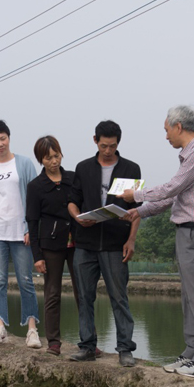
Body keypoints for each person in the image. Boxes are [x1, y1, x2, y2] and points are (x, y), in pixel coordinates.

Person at [121, 105, 194, 378]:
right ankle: (192, 353)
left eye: (166, 130)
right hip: (187, 232)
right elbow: (172, 199)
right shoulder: (189, 157)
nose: (166, 136)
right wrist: (137, 212)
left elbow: (172, 187)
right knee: (189, 296)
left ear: (178, 127)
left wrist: (137, 195)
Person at [67, 120, 141, 367]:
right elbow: (72, 200)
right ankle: (87, 346)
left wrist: (131, 240)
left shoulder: (131, 168)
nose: (108, 150)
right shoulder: (83, 167)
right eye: (103, 145)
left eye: (112, 146)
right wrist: (77, 217)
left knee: (119, 297)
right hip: (85, 242)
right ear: (95, 141)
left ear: (118, 143)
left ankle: (125, 349)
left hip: (114, 243)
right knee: (85, 296)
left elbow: (136, 210)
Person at [0, 118, 41, 348]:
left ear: (9, 138)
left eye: (3, 138)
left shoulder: (23, 164)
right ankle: (0, 327)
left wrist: (30, 228)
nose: (0, 143)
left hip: (20, 232)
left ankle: (32, 330)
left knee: (26, 280)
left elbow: (34, 199)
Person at [26, 136, 81, 356]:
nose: (54, 161)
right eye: (48, 158)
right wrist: (37, 256)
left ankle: (89, 340)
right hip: (51, 245)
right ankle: (54, 342)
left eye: (56, 155)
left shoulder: (74, 179)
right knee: (52, 293)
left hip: (77, 243)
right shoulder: (36, 186)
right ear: (41, 159)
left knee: (83, 293)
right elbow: (32, 221)